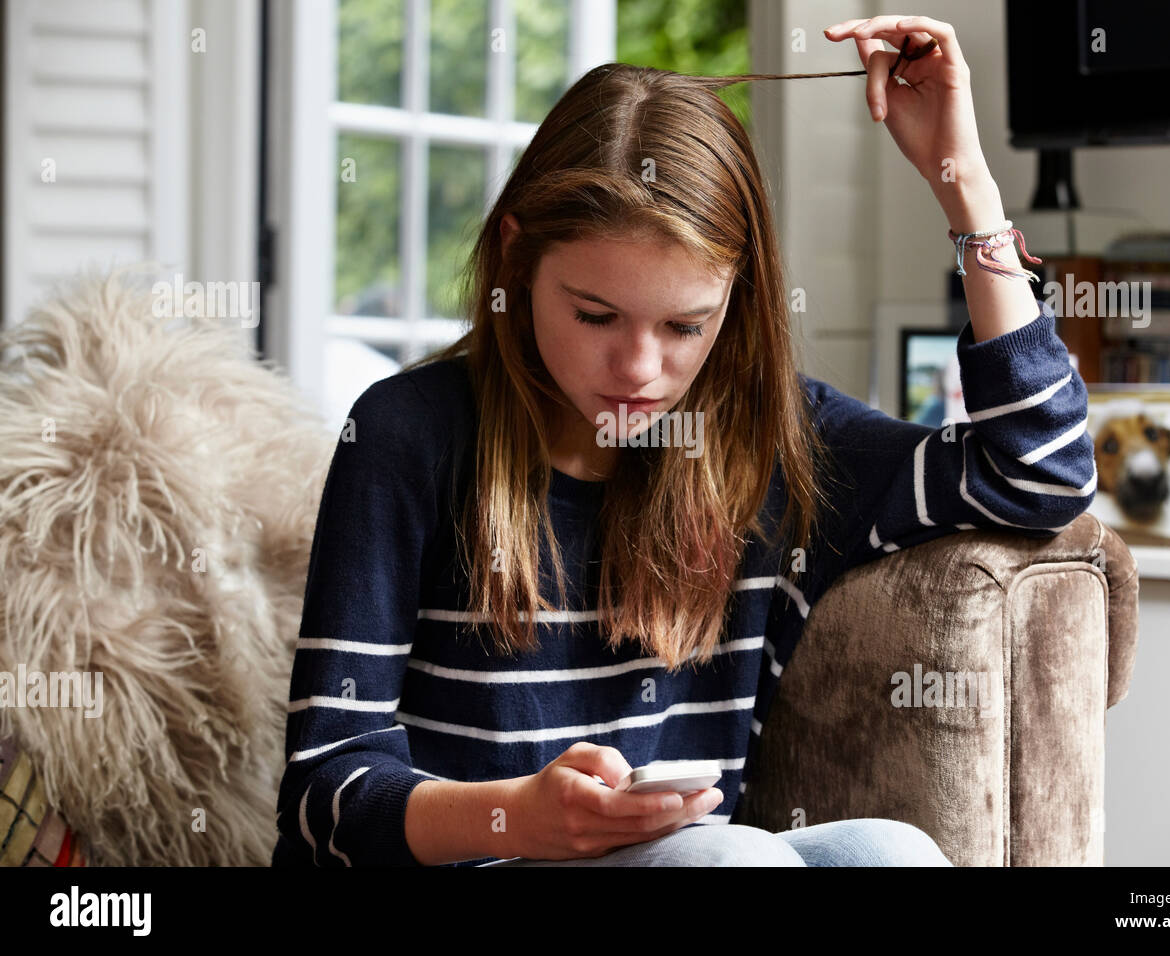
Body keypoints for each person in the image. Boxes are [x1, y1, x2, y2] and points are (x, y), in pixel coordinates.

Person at [272, 14, 1097, 868]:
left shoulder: (773, 444)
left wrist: (968, 190)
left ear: (735, 300)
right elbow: (322, 788)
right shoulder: (408, 433)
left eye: (684, 325)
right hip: (480, 856)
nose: (639, 369)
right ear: (517, 260)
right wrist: (518, 817)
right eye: (595, 315)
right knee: (736, 860)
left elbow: (1041, 474)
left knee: (890, 853)